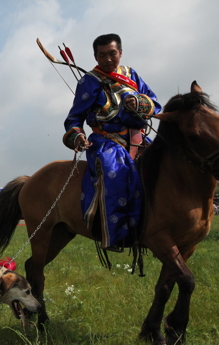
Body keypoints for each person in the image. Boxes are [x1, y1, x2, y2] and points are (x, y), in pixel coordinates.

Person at [63, 34, 161, 251]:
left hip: (138, 137)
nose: (108, 59)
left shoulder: (131, 74)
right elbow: (73, 119)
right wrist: (77, 136)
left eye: (112, 53)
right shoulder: (89, 81)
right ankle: (116, 235)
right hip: (106, 141)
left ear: (120, 53)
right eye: (102, 55)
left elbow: (155, 104)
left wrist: (139, 101)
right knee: (113, 171)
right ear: (95, 56)